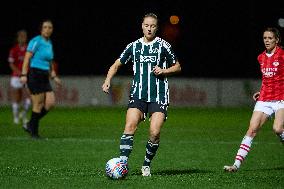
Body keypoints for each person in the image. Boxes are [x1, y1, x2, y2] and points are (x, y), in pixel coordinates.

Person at [102, 13, 181, 176]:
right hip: (138, 94)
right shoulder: (134, 46)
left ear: (156, 28)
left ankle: (146, 164)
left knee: (154, 132)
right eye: (147, 25)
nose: (149, 28)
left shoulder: (163, 46)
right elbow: (116, 65)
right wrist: (107, 80)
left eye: (153, 26)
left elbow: (178, 67)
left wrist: (164, 70)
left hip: (158, 96)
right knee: (130, 126)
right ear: (142, 26)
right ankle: (122, 164)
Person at [224, 27, 284, 172]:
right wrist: (261, 90)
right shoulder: (261, 57)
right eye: (265, 38)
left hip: (280, 98)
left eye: (270, 38)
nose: (267, 41)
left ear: (277, 40)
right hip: (264, 98)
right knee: (252, 130)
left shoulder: (282, 55)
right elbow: (266, 78)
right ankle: (235, 165)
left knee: (277, 129)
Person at [20, 19, 61, 139]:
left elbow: (50, 62)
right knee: (38, 104)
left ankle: (30, 124)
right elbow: (27, 58)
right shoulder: (35, 41)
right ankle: (34, 133)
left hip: (44, 76)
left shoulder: (49, 43)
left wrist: (54, 76)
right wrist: (23, 75)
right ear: (41, 29)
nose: (48, 29)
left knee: (50, 103)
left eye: (50, 27)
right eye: (45, 27)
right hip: (34, 74)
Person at [8, 29, 31, 128]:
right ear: (17, 38)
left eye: (24, 36)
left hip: (26, 76)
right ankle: (16, 117)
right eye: (20, 36)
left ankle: (24, 114)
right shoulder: (14, 50)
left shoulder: (29, 50)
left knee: (30, 97)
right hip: (16, 77)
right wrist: (19, 73)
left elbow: (31, 62)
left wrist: (26, 73)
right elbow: (11, 64)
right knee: (16, 98)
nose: (22, 38)